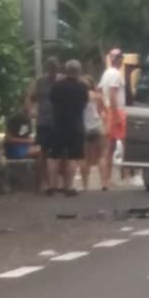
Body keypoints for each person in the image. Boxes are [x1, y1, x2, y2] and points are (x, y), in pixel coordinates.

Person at [49, 60, 90, 196]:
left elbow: (52, 101)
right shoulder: (82, 87)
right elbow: (84, 104)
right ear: (78, 72)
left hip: (58, 124)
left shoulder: (57, 85)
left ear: (66, 71)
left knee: (54, 156)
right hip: (75, 125)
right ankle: (68, 187)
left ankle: (51, 187)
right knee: (73, 157)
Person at [25, 57, 59, 192]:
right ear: (47, 69)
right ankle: (46, 183)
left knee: (57, 153)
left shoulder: (60, 81)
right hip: (43, 121)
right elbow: (29, 96)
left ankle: (54, 183)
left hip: (57, 121)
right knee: (43, 153)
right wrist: (31, 111)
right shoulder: (39, 82)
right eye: (51, 69)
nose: (53, 72)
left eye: (55, 69)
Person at [99, 48, 127, 190]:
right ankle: (126, 178)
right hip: (117, 111)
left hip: (108, 110)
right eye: (120, 58)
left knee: (107, 149)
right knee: (124, 145)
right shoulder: (116, 74)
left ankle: (105, 181)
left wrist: (104, 111)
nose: (121, 60)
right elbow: (112, 95)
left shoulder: (106, 73)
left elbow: (100, 92)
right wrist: (116, 116)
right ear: (117, 60)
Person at [80, 76, 106, 191]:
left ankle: (85, 186)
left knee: (84, 158)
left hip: (84, 128)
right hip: (97, 127)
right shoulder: (97, 96)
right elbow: (102, 111)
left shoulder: (79, 97)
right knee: (101, 156)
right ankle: (104, 184)